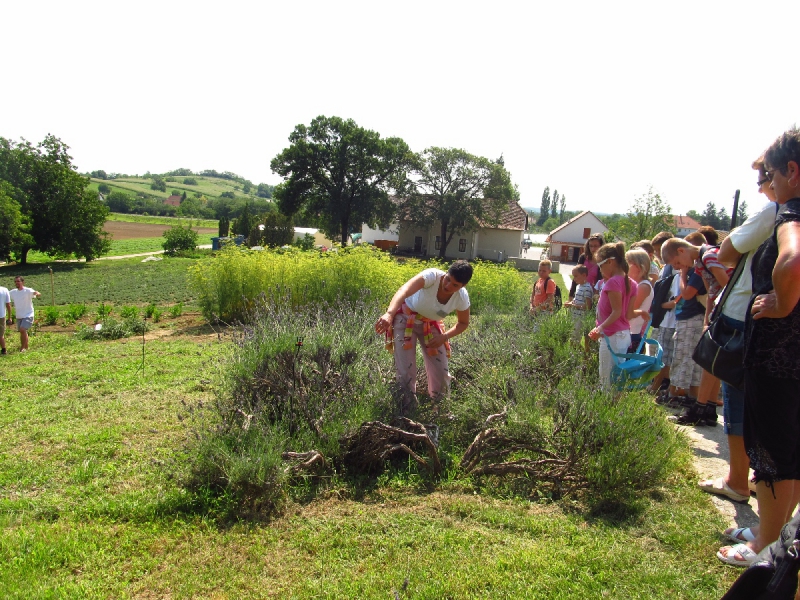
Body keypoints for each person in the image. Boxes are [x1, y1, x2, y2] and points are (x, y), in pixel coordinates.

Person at [718, 128, 800, 567]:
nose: (769, 183)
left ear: (792, 171)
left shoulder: (791, 213)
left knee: (771, 453)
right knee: (793, 453)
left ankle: (764, 546)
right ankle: (778, 533)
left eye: (772, 174)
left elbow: (793, 259)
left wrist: (782, 302)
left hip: (778, 357)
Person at [699, 156, 778, 521]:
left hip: (747, 316)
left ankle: (738, 480)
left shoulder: (774, 212)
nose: (761, 189)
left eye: (763, 180)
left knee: (738, 402)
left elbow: (728, 251)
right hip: (775, 318)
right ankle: (765, 484)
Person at [375, 260, 472, 412]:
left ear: (463, 286)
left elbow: (463, 323)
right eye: (447, 279)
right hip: (405, 318)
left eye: (455, 285)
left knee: (441, 370)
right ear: (446, 273)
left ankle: (439, 410)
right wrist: (389, 313)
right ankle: (407, 410)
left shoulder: (461, 297)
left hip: (430, 324)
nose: (448, 286)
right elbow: (403, 290)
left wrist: (444, 337)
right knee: (406, 369)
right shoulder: (431, 276)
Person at [661, 236, 732, 426]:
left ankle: (700, 408)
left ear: (681, 250)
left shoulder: (709, 256)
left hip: (729, 310)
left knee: (711, 362)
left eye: (677, 263)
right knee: (713, 362)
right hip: (719, 312)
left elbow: (728, 286)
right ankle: (709, 408)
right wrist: (708, 320)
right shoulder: (700, 263)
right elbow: (711, 293)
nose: (679, 267)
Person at [588, 242, 637, 388]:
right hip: (622, 335)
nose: (600, 270)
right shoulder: (632, 283)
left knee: (606, 378)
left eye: (601, 265)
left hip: (612, 336)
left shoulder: (613, 282)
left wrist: (599, 328)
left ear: (610, 262)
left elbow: (617, 312)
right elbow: (628, 314)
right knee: (617, 377)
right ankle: (614, 400)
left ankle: (606, 401)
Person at [625, 248, 653, 352]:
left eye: (628, 263)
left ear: (639, 266)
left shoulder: (643, 286)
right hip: (627, 332)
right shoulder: (634, 285)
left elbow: (629, 312)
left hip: (632, 335)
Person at [8, 276, 40, 353]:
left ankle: (22, 348)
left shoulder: (28, 290)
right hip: (19, 315)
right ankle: (26, 347)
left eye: (18, 281)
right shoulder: (13, 292)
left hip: (28, 314)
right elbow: (5, 295)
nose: (17, 283)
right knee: (22, 331)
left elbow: (35, 292)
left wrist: (37, 293)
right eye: (15, 281)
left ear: (22, 282)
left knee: (22, 329)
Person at [568, 233, 604, 299]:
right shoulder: (583, 258)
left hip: (594, 295)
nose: (593, 249)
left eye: (596, 246)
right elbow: (576, 275)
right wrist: (571, 294)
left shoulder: (603, 261)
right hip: (580, 293)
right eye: (591, 246)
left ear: (601, 246)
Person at [564, 265, 593, 345]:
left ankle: (578, 351)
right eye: (573, 276)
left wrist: (573, 306)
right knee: (572, 337)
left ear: (584, 275)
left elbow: (588, 306)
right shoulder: (578, 286)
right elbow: (576, 301)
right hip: (574, 316)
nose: (574, 279)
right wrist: (569, 303)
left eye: (576, 276)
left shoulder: (587, 288)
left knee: (575, 339)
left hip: (580, 317)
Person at [0, 283, 10, 355]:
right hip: (1, 315)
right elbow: (8, 305)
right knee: (1, 334)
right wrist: (9, 317)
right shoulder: (4, 290)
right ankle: (4, 350)